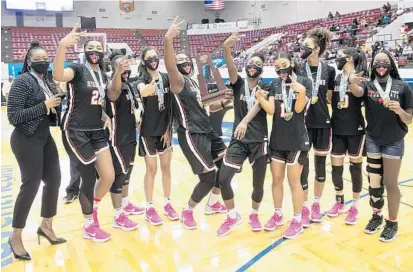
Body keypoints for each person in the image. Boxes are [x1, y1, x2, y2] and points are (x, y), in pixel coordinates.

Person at [163, 17, 228, 229]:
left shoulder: (193, 81)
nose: (184, 63)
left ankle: (213, 203)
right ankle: (188, 210)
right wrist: (168, 41)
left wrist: (225, 102)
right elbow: (171, 66)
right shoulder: (178, 81)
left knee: (226, 165)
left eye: (186, 59)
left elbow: (208, 106)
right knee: (209, 176)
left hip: (206, 129)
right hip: (191, 133)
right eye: (180, 61)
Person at [53, 25, 115, 242]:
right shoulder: (77, 70)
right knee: (87, 179)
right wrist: (62, 46)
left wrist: (105, 115)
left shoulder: (103, 74)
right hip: (76, 130)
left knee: (108, 176)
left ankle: (93, 211)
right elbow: (58, 74)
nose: (95, 50)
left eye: (99, 47)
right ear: (85, 51)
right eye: (91, 47)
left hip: (97, 130)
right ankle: (89, 224)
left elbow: (97, 100)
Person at [7, 41, 66, 261]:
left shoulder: (46, 80)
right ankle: (16, 236)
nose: (43, 62)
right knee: (30, 185)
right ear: (29, 61)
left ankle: (46, 225)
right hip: (25, 138)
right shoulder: (22, 81)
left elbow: (54, 102)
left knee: (54, 180)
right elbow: (13, 116)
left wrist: (59, 98)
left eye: (45, 59)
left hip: (44, 137)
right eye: (38, 59)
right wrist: (44, 105)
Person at [349, 50, 412, 242]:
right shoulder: (368, 85)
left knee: (390, 183)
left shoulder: (403, 87)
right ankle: (376, 215)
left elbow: (409, 119)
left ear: (391, 64)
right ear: (372, 65)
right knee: (374, 182)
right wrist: (352, 81)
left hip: (394, 141)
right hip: (373, 140)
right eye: (377, 61)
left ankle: (392, 222)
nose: (381, 64)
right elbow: (357, 91)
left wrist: (400, 110)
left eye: (385, 61)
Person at [215, 31, 271, 236]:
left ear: (262, 69)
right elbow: (231, 69)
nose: (253, 65)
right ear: (246, 66)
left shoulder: (266, 85)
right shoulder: (238, 84)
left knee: (258, 184)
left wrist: (244, 122)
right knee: (224, 179)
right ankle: (232, 216)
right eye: (250, 62)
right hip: (238, 140)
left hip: (258, 140)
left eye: (257, 63)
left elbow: (258, 105)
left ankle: (254, 214)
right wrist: (227, 48)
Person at [258, 52, 312, 238]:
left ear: (291, 64)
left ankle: (297, 219)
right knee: (277, 180)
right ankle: (278, 214)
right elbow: (272, 111)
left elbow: (298, 110)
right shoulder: (274, 84)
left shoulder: (305, 81)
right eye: (277, 67)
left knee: (293, 181)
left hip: (297, 140)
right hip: (277, 140)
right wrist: (260, 98)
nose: (281, 69)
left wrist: (301, 91)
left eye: (284, 65)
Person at [135, 47, 178, 225]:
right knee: (151, 170)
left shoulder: (166, 78)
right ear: (144, 61)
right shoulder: (141, 79)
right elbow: (142, 91)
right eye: (149, 57)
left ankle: (168, 203)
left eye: (155, 56)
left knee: (166, 168)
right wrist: (150, 86)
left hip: (165, 130)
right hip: (148, 132)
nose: (153, 59)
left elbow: (172, 106)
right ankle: (149, 207)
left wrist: (170, 129)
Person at [297, 27, 336, 225]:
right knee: (302, 166)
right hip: (302, 123)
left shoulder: (329, 70)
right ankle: (303, 207)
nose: (303, 48)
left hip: (322, 123)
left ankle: (316, 204)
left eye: (307, 45)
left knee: (320, 166)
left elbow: (329, 97)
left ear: (316, 49)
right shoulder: (297, 68)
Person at [327, 47, 367, 225]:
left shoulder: (360, 75)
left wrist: (350, 82)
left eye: (341, 56)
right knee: (336, 168)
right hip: (337, 129)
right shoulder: (336, 78)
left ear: (350, 58)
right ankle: (339, 202)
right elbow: (331, 99)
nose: (337, 59)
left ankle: (355, 206)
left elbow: (359, 93)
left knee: (355, 168)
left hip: (355, 130)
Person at [105, 51, 142, 231]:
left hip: (130, 136)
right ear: (112, 68)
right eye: (119, 65)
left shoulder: (128, 84)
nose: (123, 67)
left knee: (127, 172)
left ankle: (126, 204)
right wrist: (118, 72)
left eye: (125, 64)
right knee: (118, 177)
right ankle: (118, 215)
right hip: (117, 138)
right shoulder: (113, 83)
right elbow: (114, 94)